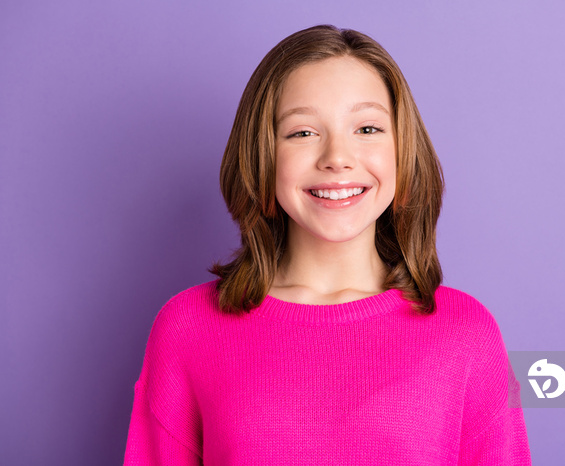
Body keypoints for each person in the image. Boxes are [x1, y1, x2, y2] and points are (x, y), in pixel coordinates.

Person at [124, 24, 531, 465]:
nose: (337, 156)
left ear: (402, 149)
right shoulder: (187, 329)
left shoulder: (467, 335)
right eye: (303, 132)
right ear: (263, 155)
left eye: (368, 128)